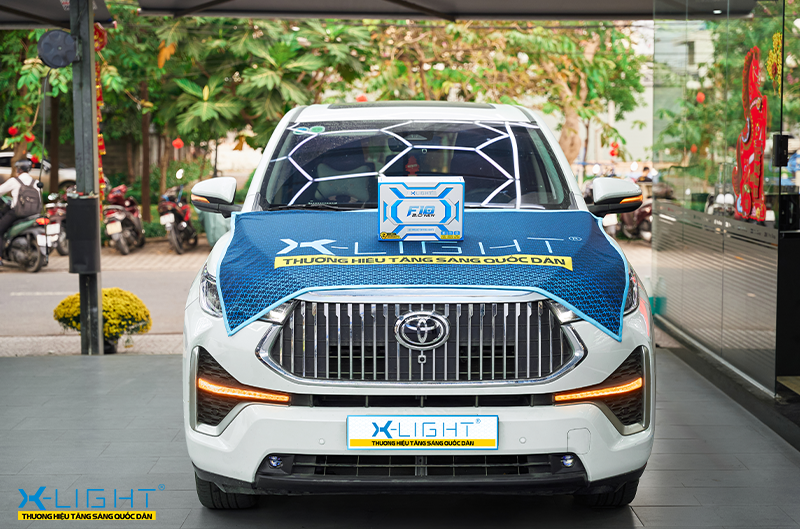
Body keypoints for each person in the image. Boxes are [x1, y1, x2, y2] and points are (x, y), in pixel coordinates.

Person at [0, 159, 37, 265]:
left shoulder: (14, 181)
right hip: (34, 213)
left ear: (18, 169)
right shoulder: (35, 182)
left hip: (18, 213)